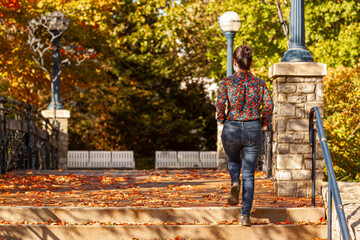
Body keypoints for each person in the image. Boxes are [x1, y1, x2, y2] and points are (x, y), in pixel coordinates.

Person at [216, 44, 274, 226]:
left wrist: (222, 119)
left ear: (235, 62)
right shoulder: (259, 83)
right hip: (253, 128)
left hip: (232, 127)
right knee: (249, 174)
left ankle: (234, 182)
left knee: (233, 160)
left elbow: (219, 105)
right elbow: (269, 106)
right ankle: (245, 216)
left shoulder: (227, 82)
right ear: (250, 63)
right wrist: (263, 122)